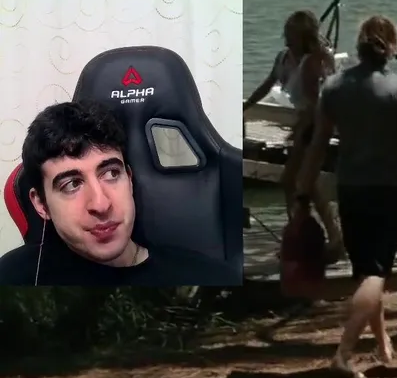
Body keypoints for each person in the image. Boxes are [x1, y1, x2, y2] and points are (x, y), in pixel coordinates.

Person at [295, 14, 397, 375]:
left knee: (365, 271)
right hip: (385, 189)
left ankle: (382, 346)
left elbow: (317, 145)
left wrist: (302, 191)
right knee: (377, 274)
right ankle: (344, 353)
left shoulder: (334, 86)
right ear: (392, 46)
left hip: (349, 190)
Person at [0, 101, 240, 286]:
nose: (101, 204)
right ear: (41, 204)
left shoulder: (212, 278)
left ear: (130, 179)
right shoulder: (12, 276)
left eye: (111, 173)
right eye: (72, 184)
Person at [244, 9, 343, 261]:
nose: (287, 38)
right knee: (306, 184)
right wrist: (246, 106)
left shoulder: (312, 62)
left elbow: (315, 104)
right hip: (305, 124)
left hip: (315, 125)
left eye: (292, 33)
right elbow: (268, 83)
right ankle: (320, 235)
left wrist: (300, 131)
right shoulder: (284, 58)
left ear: (303, 36)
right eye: (286, 32)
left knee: (292, 181)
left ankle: (303, 234)